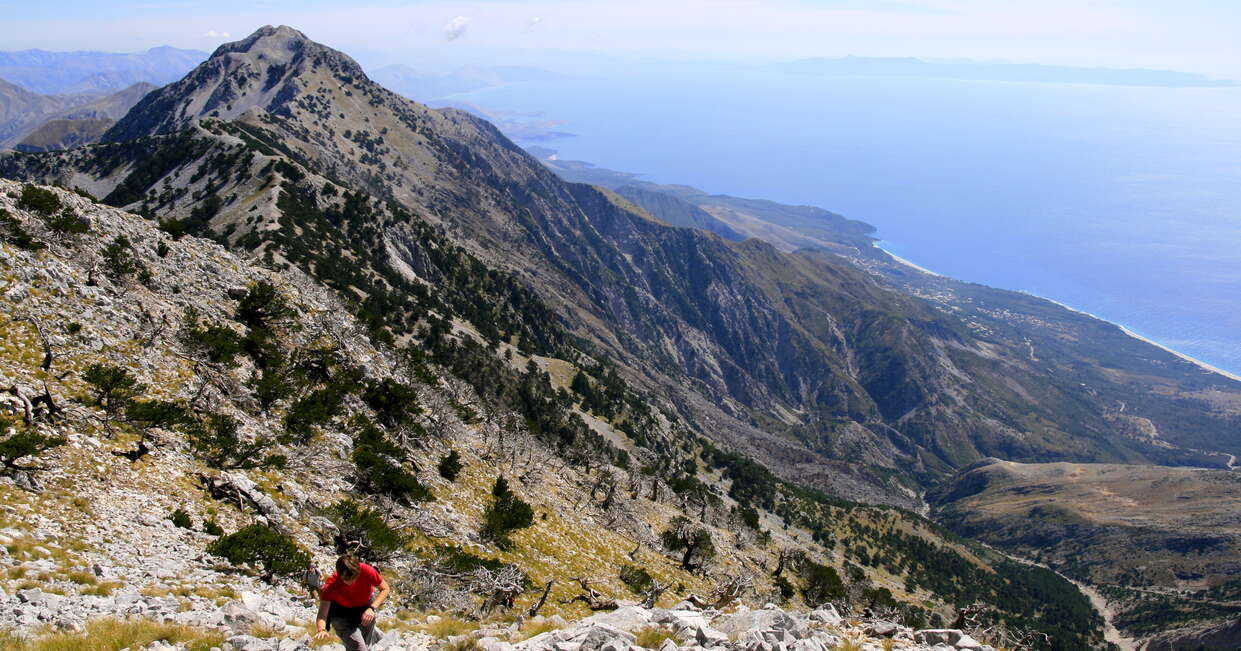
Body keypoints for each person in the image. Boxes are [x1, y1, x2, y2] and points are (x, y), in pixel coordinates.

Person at [313, 554, 391, 650]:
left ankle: (373, 636)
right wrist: (321, 629)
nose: (351, 582)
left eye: (354, 577)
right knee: (359, 648)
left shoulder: (367, 570)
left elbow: (385, 589)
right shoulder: (331, 586)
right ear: (339, 575)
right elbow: (322, 614)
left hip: (364, 611)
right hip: (341, 616)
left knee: (367, 646)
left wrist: (372, 608)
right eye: (346, 580)